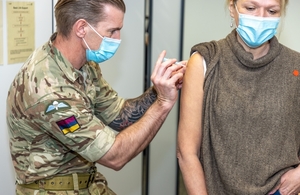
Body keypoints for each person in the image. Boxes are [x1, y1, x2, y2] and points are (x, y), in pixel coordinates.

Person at [6, 0, 185, 194]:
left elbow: (120, 115)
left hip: (87, 184)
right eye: (112, 31)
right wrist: (163, 103)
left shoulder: (84, 64)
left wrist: (160, 89)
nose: (118, 38)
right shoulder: (49, 89)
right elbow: (115, 156)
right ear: (82, 28)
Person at [176, 0, 300, 194]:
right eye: (250, 8)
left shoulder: (296, 67)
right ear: (232, 8)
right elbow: (186, 152)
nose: (260, 17)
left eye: (271, 10)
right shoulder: (204, 61)